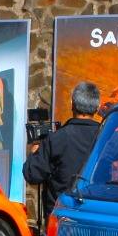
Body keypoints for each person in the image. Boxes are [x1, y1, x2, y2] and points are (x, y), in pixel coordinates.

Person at [23, 82, 102, 222]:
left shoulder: (56, 138)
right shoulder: (106, 138)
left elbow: (32, 174)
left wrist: (34, 154)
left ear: (72, 104)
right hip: (96, 215)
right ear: (98, 107)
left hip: (61, 218)